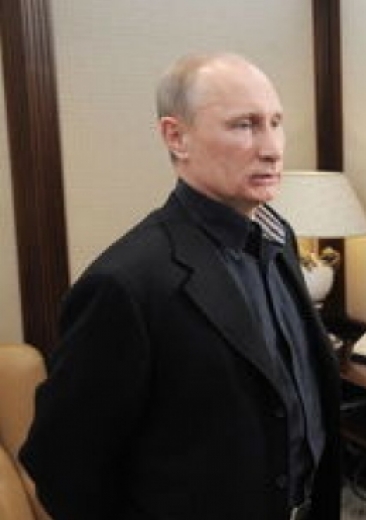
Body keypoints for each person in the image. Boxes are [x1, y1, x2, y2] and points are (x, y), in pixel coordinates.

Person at [20, 52, 342, 520]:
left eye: (276, 123)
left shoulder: (279, 235)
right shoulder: (124, 284)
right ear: (176, 136)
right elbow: (62, 467)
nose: (272, 148)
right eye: (244, 125)